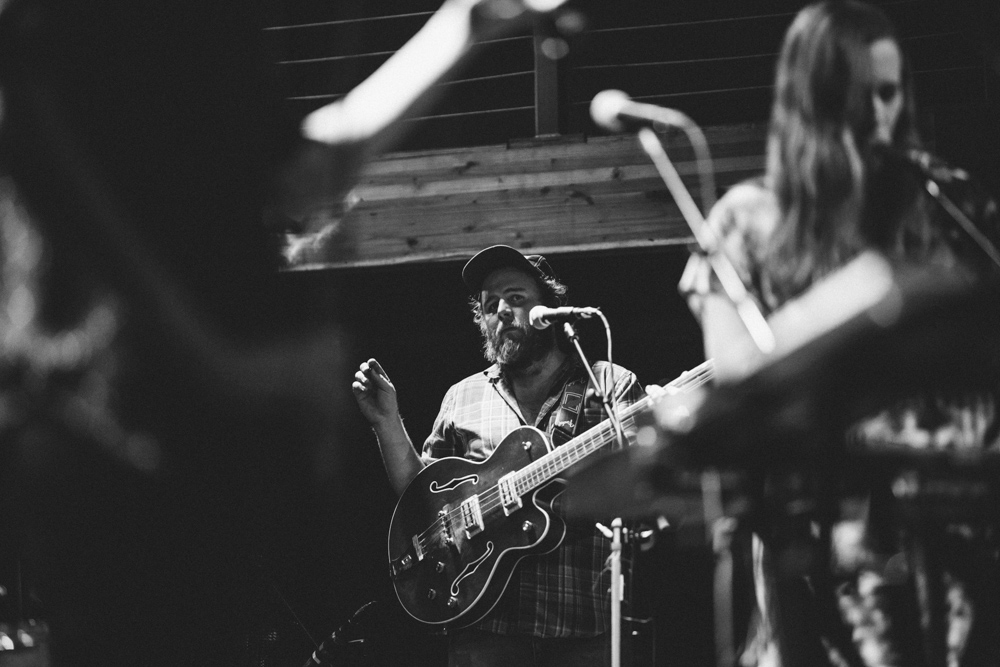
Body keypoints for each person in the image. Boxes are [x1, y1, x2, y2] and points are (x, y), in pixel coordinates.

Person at [673, 2, 1000, 666]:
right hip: (817, 555)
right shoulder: (746, 220)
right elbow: (735, 388)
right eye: (857, 96)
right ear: (812, 100)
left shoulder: (946, 206)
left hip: (953, 548)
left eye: (890, 92)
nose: (878, 114)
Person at [352, 244, 646, 666]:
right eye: (491, 306)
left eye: (516, 298)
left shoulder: (609, 385)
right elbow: (420, 497)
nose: (503, 311)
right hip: (484, 631)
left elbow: (642, 486)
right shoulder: (463, 396)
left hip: (581, 626)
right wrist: (386, 421)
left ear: (549, 311)